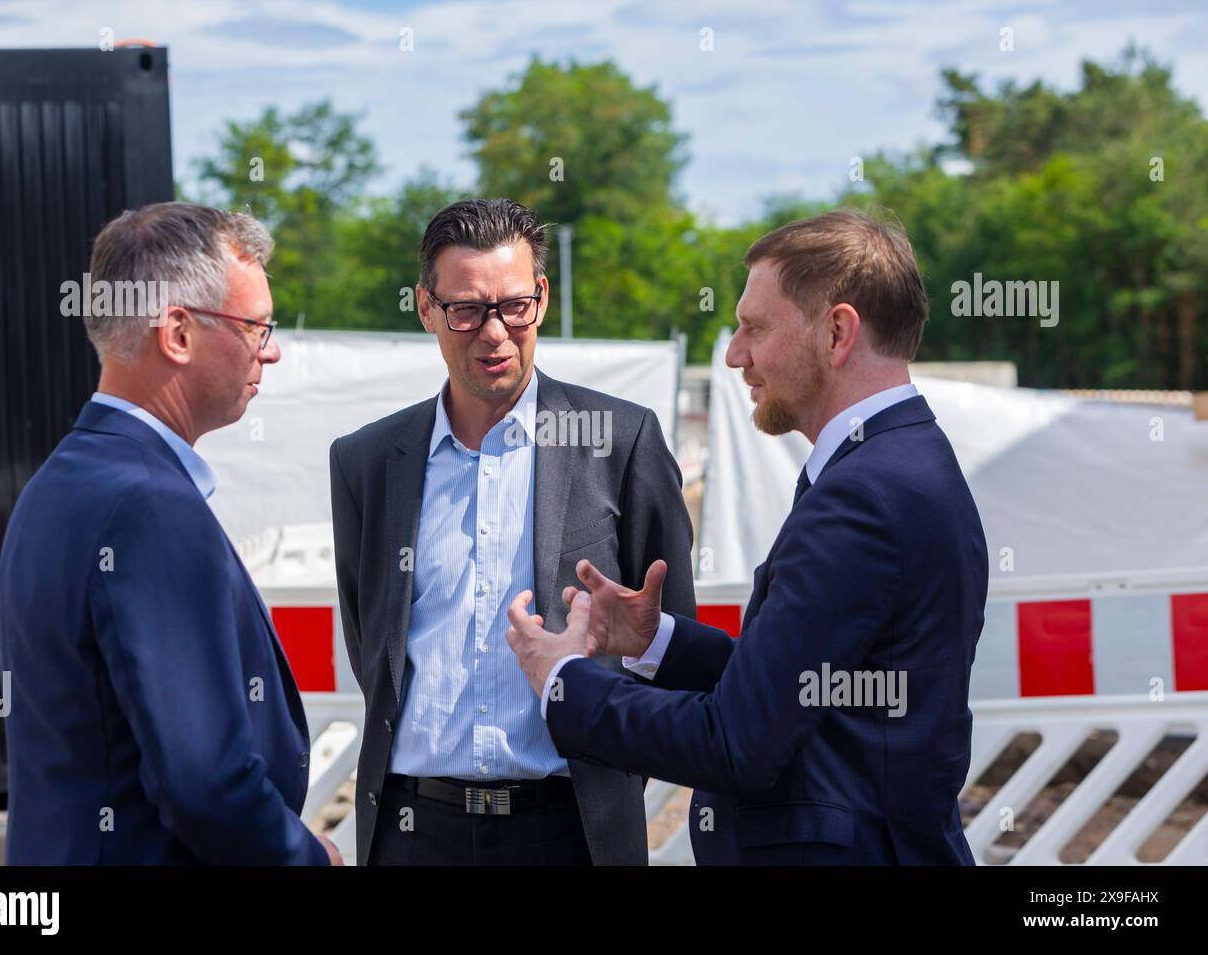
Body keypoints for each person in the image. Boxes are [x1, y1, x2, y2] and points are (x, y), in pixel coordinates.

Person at [506, 208, 989, 865]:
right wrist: (657, 640)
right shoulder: (900, 464)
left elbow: (735, 742)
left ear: (838, 333)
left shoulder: (863, 496)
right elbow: (807, 688)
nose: (736, 354)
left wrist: (562, 679)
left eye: (755, 327)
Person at [329, 198, 695, 865]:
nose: (494, 333)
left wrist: (609, 776)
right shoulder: (366, 462)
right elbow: (370, 638)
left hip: (571, 830)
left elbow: (670, 641)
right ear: (424, 308)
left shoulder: (621, 441)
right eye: (466, 310)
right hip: (414, 833)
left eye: (514, 306)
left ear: (543, 298)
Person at [0, 202, 338, 865]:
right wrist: (306, 857)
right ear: (177, 333)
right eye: (256, 326)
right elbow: (204, 781)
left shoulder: (58, 484)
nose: (271, 350)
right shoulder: (147, 505)